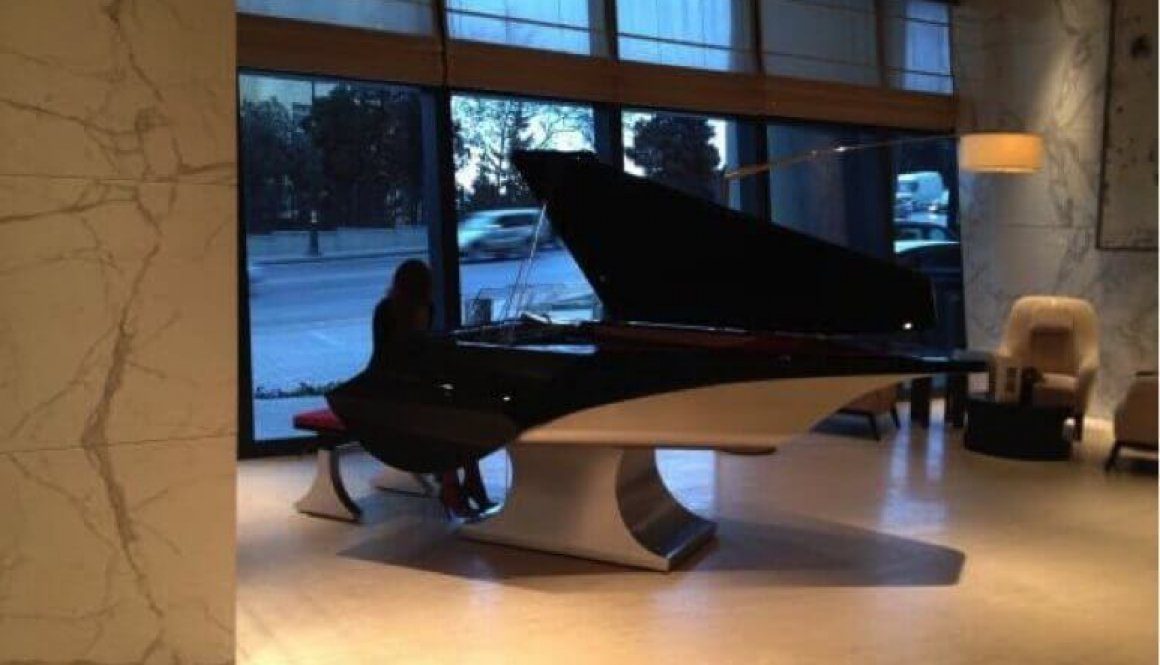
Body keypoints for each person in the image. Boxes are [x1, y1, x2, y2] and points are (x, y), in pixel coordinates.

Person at [366, 259, 496, 519]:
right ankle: (454, 486)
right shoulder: (388, 311)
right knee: (441, 419)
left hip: (408, 383)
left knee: (456, 414)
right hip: (389, 387)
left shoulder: (421, 308)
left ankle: (467, 481)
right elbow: (386, 358)